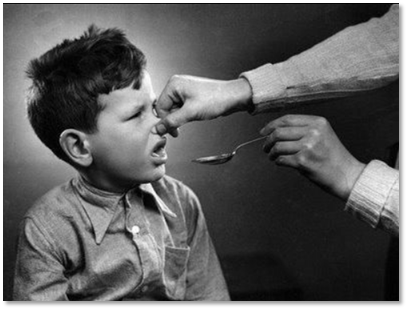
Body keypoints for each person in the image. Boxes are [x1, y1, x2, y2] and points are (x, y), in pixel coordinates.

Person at [13, 25, 229, 301]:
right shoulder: (46, 228)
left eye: (152, 107)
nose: (161, 123)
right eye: (136, 114)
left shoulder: (182, 201)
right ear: (79, 147)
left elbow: (211, 298)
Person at [154, 5, 399, 236]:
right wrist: (241, 90)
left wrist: (352, 176)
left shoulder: (182, 204)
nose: (156, 126)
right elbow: (395, 34)